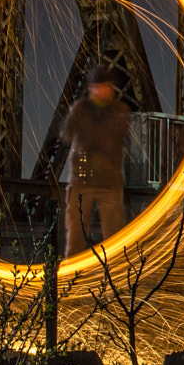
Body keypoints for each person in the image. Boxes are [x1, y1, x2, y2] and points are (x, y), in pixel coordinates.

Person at [64, 65, 133, 255]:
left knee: (113, 241)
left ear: (111, 87)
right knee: (75, 239)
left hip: (108, 184)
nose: (99, 91)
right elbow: (65, 133)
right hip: (81, 181)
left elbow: (108, 140)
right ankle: (72, 282)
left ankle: (112, 281)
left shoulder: (120, 111)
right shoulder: (81, 109)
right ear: (90, 88)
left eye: (103, 86)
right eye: (96, 87)